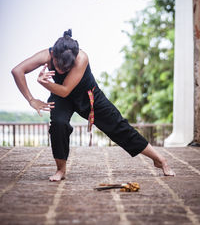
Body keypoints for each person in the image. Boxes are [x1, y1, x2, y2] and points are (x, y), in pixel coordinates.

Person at [11, 29, 175, 181]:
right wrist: (31, 100)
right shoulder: (46, 54)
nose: (60, 71)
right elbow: (17, 70)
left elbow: (65, 89)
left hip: (87, 95)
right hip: (62, 97)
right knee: (58, 124)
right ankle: (61, 169)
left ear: (74, 59)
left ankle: (160, 160)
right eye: (58, 66)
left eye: (65, 68)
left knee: (118, 126)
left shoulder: (82, 58)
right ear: (53, 54)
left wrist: (44, 83)